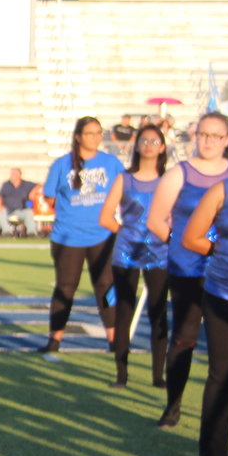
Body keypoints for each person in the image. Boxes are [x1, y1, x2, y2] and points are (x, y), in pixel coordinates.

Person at [146, 111, 228, 428]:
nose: (209, 141)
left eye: (216, 136)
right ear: (195, 136)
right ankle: (173, 406)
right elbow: (156, 220)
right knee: (184, 337)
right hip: (188, 270)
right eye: (203, 134)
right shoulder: (179, 174)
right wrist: (183, 243)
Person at [180, 125, 228, 456]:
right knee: (222, 374)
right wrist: (222, 247)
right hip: (224, 294)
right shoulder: (222, 191)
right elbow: (191, 237)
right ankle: (211, 454)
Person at [38, 117, 125, 353]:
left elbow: (125, 190)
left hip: (103, 235)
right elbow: (50, 197)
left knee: (107, 287)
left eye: (99, 132)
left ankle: (114, 338)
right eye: (90, 133)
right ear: (78, 137)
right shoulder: (61, 164)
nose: (96, 137)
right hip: (68, 236)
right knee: (65, 287)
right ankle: (54, 339)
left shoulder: (110, 162)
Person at [98, 124, 169, 388]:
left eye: (155, 140)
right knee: (124, 314)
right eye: (144, 140)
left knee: (158, 313)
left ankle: (158, 377)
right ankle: (122, 375)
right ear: (137, 145)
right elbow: (105, 217)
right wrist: (127, 233)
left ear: (163, 147)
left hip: (160, 254)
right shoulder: (124, 179)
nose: (149, 145)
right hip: (127, 254)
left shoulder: (169, 179)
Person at [0, 167, 42, 236]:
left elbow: (40, 185)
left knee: (29, 212)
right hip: (8, 209)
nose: (12, 175)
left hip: (21, 209)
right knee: (0, 212)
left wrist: (33, 192)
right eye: (12, 174)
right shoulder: (6, 185)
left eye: (14, 174)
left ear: (19, 175)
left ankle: (31, 233)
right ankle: (6, 232)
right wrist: (0, 205)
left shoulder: (26, 184)